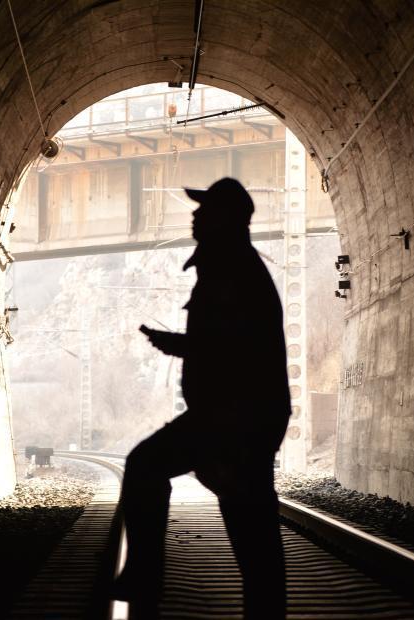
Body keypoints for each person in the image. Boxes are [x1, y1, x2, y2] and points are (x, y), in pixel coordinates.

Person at [113, 177, 292, 619]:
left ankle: (145, 581)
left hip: (235, 416)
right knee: (251, 525)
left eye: (204, 209)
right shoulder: (228, 264)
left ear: (227, 218)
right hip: (236, 415)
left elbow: (231, 347)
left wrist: (179, 345)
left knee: (147, 466)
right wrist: (180, 344)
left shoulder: (231, 267)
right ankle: (148, 580)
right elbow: (227, 341)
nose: (194, 215)